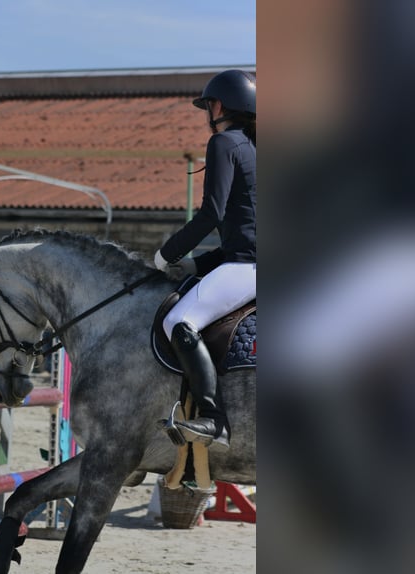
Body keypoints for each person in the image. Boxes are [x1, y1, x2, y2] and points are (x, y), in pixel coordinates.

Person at [154, 69, 256, 448]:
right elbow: (246, 230)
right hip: (249, 261)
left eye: (207, 106)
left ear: (218, 106)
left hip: (249, 268)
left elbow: (211, 213)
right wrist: (198, 265)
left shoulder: (224, 143)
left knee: (179, 321)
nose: (206, 113)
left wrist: (169, 253)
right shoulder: (256, 147)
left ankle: (214, 419)